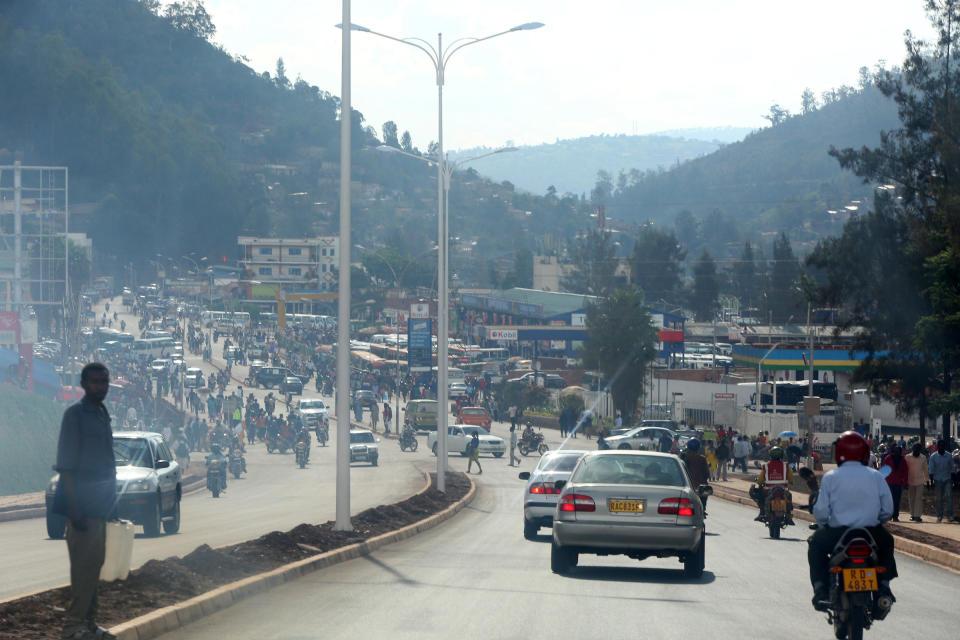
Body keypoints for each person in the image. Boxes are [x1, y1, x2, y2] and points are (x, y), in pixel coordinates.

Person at [52, 362, 118, 640]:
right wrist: (75, 507)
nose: (100, 387)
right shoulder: (75, 415)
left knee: (95, 564)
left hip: (99, 506)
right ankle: (72, 627)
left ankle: (89, 624)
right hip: (81, 507)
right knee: (83, 567)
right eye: (94, 382)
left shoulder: (102, 414)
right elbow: (66, 466)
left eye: (104, 381)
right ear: (83, 383)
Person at [808, 431, 897, 612]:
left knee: (815, 543)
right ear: (864, 452)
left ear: (839, 452)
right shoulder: (876, 476)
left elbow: (822, 512)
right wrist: (876, 520)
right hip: (871, 532)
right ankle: (884, 587)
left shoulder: (831, 477)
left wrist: (825, 521)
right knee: (887, 542)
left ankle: (821, 590)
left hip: (838, 533)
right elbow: (888, 510)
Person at [753, 446, 794, 522]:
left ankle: (762, 512)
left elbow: (760, 481)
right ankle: (788, 515)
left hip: (768, 491)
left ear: (771, 455)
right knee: (789, 497)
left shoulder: (766, 466)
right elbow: (791, 480)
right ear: (781, 455)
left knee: (759, 497)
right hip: (783, 490)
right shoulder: (786, 466)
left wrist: (760, 482)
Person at [928, 440, 954, 523]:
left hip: (947, 479)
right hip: (937, 479)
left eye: (943, 445)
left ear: (944, 447)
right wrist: (931, 482)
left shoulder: (949, 456)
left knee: (949, 497)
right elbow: (931, 470)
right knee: (939, 499)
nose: (942, 447)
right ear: (938, 447)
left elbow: (952, 468)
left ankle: (949, 515)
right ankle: (939, 516)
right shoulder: (933, 456)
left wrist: (953, 481)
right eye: (940, 446)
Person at [680, 438, 710, 512]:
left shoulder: (683, 457)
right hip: (699, 487)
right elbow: (707, 474)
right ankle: (703, 508)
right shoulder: (702, 459)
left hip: (686, 485)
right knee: (706, 490)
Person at [881, 445, 908, 522]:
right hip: (889, 482)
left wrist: (905, 482)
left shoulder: (903, 460)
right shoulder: (888, 458)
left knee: (897, 500)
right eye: (895, 450)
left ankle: (895, 516)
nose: (897, 452)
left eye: (898, 451)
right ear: (893, 451)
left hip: (899, 483)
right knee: (890, 500)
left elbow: (905, 472)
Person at [905, 443, 929, 522]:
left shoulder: (923, 457)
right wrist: (904, 481)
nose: (916, 450)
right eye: (915, 449)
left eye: (918, 449)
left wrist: (927, 481)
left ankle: (917, 516)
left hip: (920, 481)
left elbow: (925, 470)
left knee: (918, 499)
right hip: (910, 480)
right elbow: (904, 469)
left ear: (920, 450)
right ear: (913, 449)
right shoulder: (907, 457)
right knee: (911, 498)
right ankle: (912, 515)